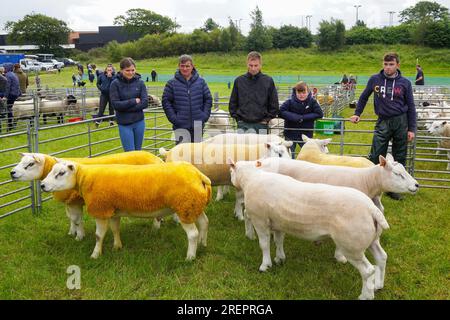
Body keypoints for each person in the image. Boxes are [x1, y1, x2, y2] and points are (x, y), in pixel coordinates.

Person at [349, 52, 416, 200]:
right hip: (383, 121)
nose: (388, 67)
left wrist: (411, 128)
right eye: (385, 64)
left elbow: (411, 106)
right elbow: (364, 96)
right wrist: (357, 113)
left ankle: (394, 189)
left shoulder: (405, 83)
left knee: (399, 155)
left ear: (397, 65)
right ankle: (371, 186)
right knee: (376, 154)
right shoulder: (375, 79)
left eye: (391, 64)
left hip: (400, 121)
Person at [162, 54, 212, 144]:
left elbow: (208, 99)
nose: (185, 69)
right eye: (182, 66)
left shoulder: (201, 82)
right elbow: (166, 102)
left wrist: (203, 116)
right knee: (182, 154)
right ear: (179, 66)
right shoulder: (171, 83)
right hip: (180, 125)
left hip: (197, 124)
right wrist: (175, 119)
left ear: (192, 66)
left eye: (187, 66)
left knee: (197, 153)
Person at [229, 51, 279, 134]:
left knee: (262, 147)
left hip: (262, 125)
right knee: (242, 147)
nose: (253, 68)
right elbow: (233, 102)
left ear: (260, 65)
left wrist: (266, 120)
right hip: (243, 124)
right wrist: (238, 119)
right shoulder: (239, 81)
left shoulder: (268, 81)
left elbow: (274, 103)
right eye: (250, 65)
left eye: (256, 65)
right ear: (247, 64)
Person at [110, 57, 148, 151]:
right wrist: (134, 101)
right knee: (130, 153)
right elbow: (116, 105)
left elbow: (145, 103)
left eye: (133, 70)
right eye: (127, 70)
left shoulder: (140, 83)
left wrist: (125, 108)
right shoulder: (115, 84)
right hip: (124, 124)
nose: (130, 73)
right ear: (121, 70)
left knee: (138, 151)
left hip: (139, 122)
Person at [279, 81, 323, 158]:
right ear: (295, 92)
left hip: (306, 134)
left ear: (308, 91)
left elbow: (319, 114)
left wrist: (303, 118)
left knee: (309, 155)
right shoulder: (290, 102)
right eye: (299, 93)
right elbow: (281, 111)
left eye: (303, 92)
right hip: (290, 133)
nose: (301, 95)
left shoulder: (312, 102)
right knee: (289, 155)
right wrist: (294, 117)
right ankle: (290, 168)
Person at [2, 63, 21, 131]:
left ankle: (10, 125)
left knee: (9, 109)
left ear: (7, 68)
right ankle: (11, 124)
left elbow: (8, 87)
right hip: (15, 94)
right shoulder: (13, 74)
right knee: (10, 108)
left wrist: (5, 96)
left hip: (11, 95)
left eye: (4, 67)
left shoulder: (8, 75)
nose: (3, 69)